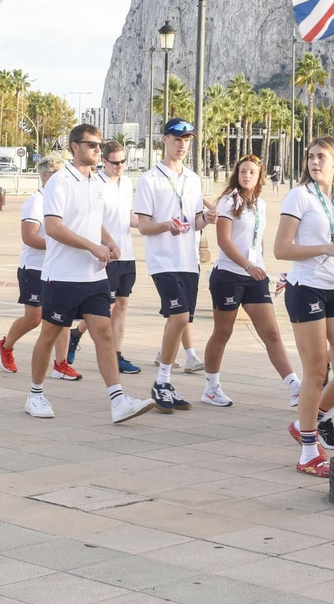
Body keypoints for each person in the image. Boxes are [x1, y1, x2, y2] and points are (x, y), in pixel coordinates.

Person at [21, 124, 155, 424]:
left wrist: (107, 240)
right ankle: (35, 393)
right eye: (91, 145)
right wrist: (93, 246)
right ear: (74, 147)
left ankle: (118, 400)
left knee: (103, 332)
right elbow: (54, 228)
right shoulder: (59, 182)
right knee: (50, 335)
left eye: (99, 145)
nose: (97, 150)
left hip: (93, 277)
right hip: (62, 276)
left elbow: (93, 220)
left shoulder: (97, 182)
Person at [274, 136, 334, 476]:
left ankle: (310, 420)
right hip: (305, 288)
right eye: (310, 157)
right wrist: (323, 248)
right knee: (315, 370)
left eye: (321, 157)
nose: (314, 162)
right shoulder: (299, 195)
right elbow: (282, 249)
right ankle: (309, 451)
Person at [202, 154, 300, 408]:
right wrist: (247, 265)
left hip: (255, 277)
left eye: (252, 172)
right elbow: (224, 241)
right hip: (228, 276)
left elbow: (257, 238)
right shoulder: (228, 201)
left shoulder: (260, 204)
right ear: (237, 173)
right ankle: (211, 388)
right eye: (243, 171)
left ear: (259, 177)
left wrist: (261, 265)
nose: (247, 176)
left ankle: (294, 386)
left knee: (272, 333)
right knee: (223, 332)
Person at [135, 119, 215, 412]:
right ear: (165, 140)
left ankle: (165, 381)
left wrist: (207, 219)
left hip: (188, 261)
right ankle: (162, 380)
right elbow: (143, 226)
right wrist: (165, 226)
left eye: (187, 139)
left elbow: (194, 221)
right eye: (177, 138)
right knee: (180, 317)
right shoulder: (149, 180)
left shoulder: (193, 179)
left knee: (182, 319)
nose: (182, 145)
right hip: (163, 261)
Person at [0, 153, 61, 373]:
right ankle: (5, 346)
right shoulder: (36, 202)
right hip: (34, 269)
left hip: (58, 269)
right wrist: (58, 244)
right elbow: (29, 237)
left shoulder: (61, 201)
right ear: (45, 175)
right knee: (34, 319)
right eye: (59, 175)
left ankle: (61, 364)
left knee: (61, 316)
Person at [92, 141, 141, 375]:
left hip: (127, 254)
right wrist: (108, 243)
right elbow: (93, 220)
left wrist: (148, 225)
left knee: (122, 304)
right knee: (104, 307)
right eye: (115, 162)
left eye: (123, 162)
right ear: (104, 161)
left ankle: (117, 354)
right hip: (108, 254)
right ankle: (78, 334)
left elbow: (128, 214)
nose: (119, 166)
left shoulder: (127, 182)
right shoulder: (96, 184)